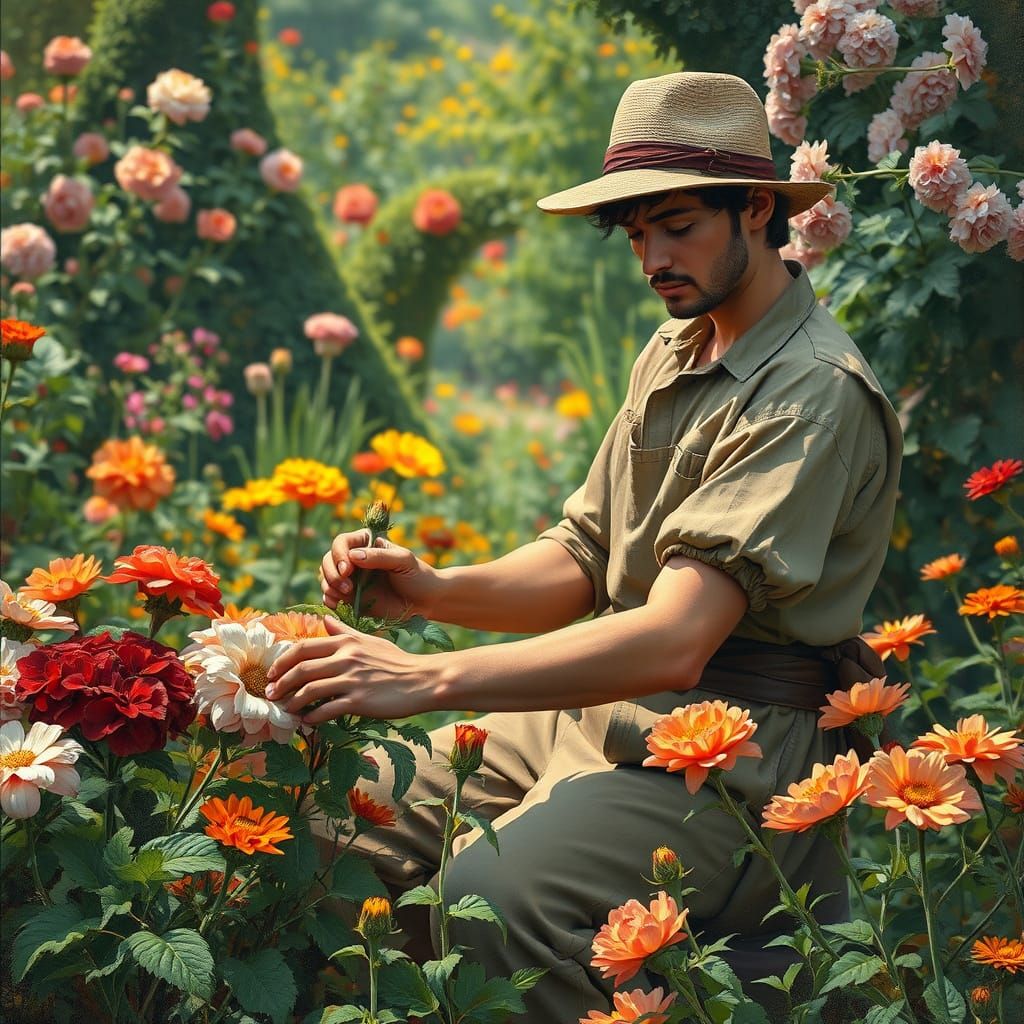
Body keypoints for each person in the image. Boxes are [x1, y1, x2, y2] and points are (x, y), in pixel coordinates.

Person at [265, 71, 903, 1021]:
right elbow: (582, 555)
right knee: (325, 834)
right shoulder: (676, 348)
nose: (652, 254)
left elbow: (676, 638)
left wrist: (428, 678)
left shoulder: (810, 391)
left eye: (677, 224)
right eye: (635, 231)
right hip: (595, 709)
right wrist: (432, 591)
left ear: (758, 208)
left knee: (488, 911)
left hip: (721, 750)